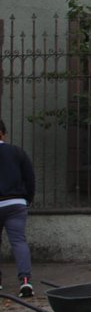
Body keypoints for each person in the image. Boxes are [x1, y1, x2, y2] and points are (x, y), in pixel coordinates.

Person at [0, 120, 36, 298]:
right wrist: (27, 199)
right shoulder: (17, 152)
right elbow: (30, 177)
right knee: (18, 242)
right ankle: (25, 281)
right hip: (16, 204)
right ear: (2, 134)